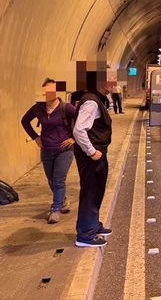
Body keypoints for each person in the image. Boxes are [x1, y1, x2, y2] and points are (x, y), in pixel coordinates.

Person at [21, 78, 76, 224]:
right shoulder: (38, 108)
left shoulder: (66, 107)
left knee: (58, 179)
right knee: (51, 180)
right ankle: (63, 200)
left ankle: (55, 209)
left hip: (65, 149)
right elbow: (24, 121)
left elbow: (84, 120)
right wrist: (35, 137)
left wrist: (74, 138)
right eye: (46, 91)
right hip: (46, 149)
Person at [72, 82, 113, 248]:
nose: (113, 84)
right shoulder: (91, 102)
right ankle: (86, 234)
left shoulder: (96, 99)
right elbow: (79, 130)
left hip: (96, 153)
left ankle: (92, 225)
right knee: (91, 191)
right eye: (110, 81)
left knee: (96, 191)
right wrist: (91, 151)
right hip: (92, 156)